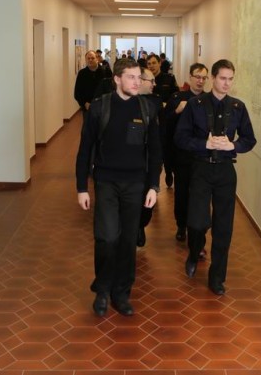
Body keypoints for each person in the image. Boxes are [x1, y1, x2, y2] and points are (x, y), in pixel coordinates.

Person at [76, 58, 162, 317]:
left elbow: (155, 150)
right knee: (106, 237)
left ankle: (121, 292)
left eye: (139, 77)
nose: (137, 82)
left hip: (135, 183)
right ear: (117, 79)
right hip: (106, 181)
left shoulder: (147, 108)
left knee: (127, 241)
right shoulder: (100, 107)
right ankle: (102, 290)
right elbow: (85, 149)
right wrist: (82, 187)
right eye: (131, 77)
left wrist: (154, 186)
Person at [174, 59, 256, 296]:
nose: (227, 83)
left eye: (230, 79)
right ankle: (194, 251)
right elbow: (180, 138)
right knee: (197, 222)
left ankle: (217, 277)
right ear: (213, 78)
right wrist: (204, 144)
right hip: (201, 168)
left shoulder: (238, 107)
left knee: (223, 227)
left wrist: (233, 145)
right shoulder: (195, 105)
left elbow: (249, 140)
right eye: (222, 78)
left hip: (225, 171)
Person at [164, 63, 208, 248]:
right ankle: (181, 225)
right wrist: (177, 111)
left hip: (202, 157)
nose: (200, 81)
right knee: (182, 193)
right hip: (182, 156)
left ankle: (197, 230)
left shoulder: (209, 100)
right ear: (190, 77)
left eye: (204, 78)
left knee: (200, 196)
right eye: (197, 76)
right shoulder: (178, 98)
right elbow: (165, 122)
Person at [137, 67, 162, 248]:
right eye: (151, 80)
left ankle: (141, 224)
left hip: (149, 162)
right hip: (130, 165)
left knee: (147, 204)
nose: (154, 84)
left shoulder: (154, 104)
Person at [147, 54, 178, 188]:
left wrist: (168, 105)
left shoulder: (169, 78)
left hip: (167, 118)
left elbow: (176, 96)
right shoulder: (145, 79)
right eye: (149, 63)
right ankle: (155, 180)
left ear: (160, 63)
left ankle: (169, 171)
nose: (151, 66)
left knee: (168, 149)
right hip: (152, 120)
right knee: (155, 149)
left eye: (154, 63)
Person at [74, 50, 105, 119]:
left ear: (97, 59)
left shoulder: (105, 72)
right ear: (86, 60)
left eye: (92, 58)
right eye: (88, 58)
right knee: (88, 126)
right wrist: (84, 103)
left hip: (103, 108)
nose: (90, 60)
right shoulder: (82, 74)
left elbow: (110, 90)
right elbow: (77, 93)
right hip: (87, 108)